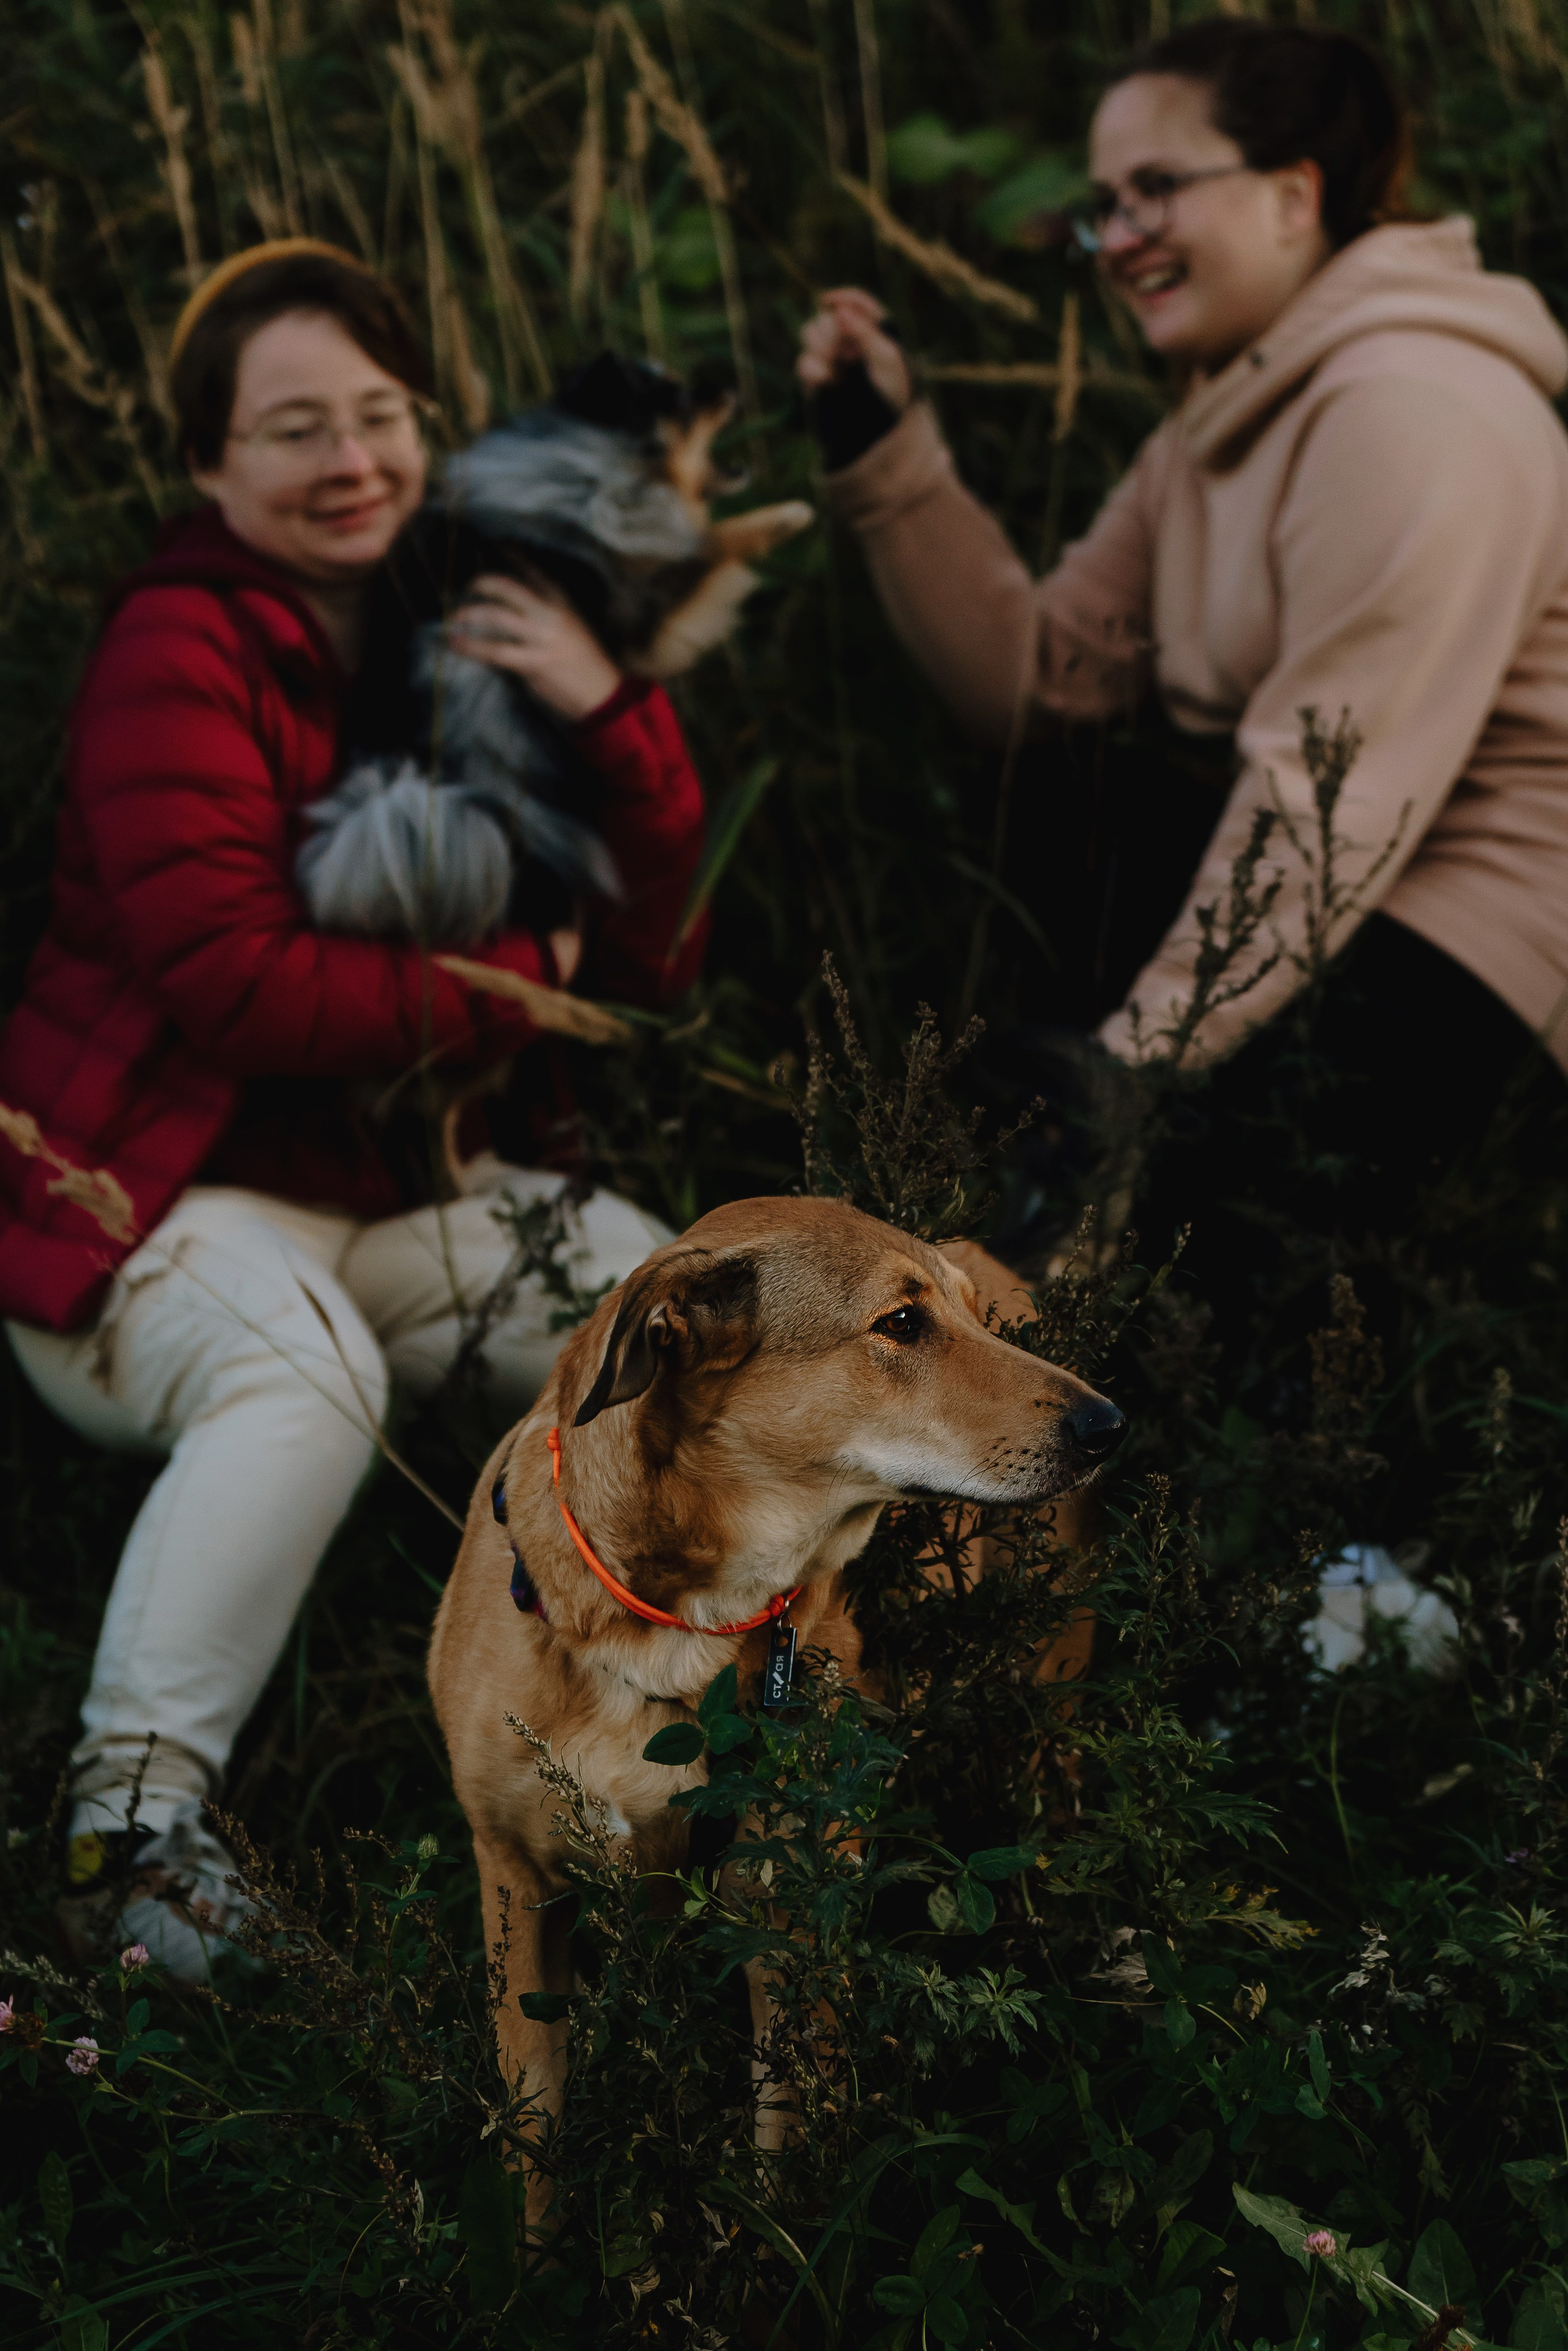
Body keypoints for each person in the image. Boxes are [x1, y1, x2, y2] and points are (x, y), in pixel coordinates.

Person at [0, 241, 707, 1974]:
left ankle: (738, 1734)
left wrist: (604, 703)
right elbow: (234, 977)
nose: (351, 459)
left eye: (381, 413)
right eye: (293, 427)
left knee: (663, 1315)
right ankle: (121, 1832)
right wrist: (521, 977)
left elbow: (655, 949)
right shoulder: (176, 647)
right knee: (301, 1374)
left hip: (392, 1205)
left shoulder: (465, 609)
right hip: (152, 1208)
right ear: (208, 462)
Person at [797, 19, 1568, 1267]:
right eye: (1103, 206)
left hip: (1480, 922)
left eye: (1157, 188)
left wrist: (1128, 1069)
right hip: (1327, 881)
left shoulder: (1415, 408)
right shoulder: (1216, 421)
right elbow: (1037, 686)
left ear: (1293, 195)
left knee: (1210, 1280)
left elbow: (1336, 797)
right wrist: (884, 458)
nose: (1119, 238)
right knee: (1056, 797)